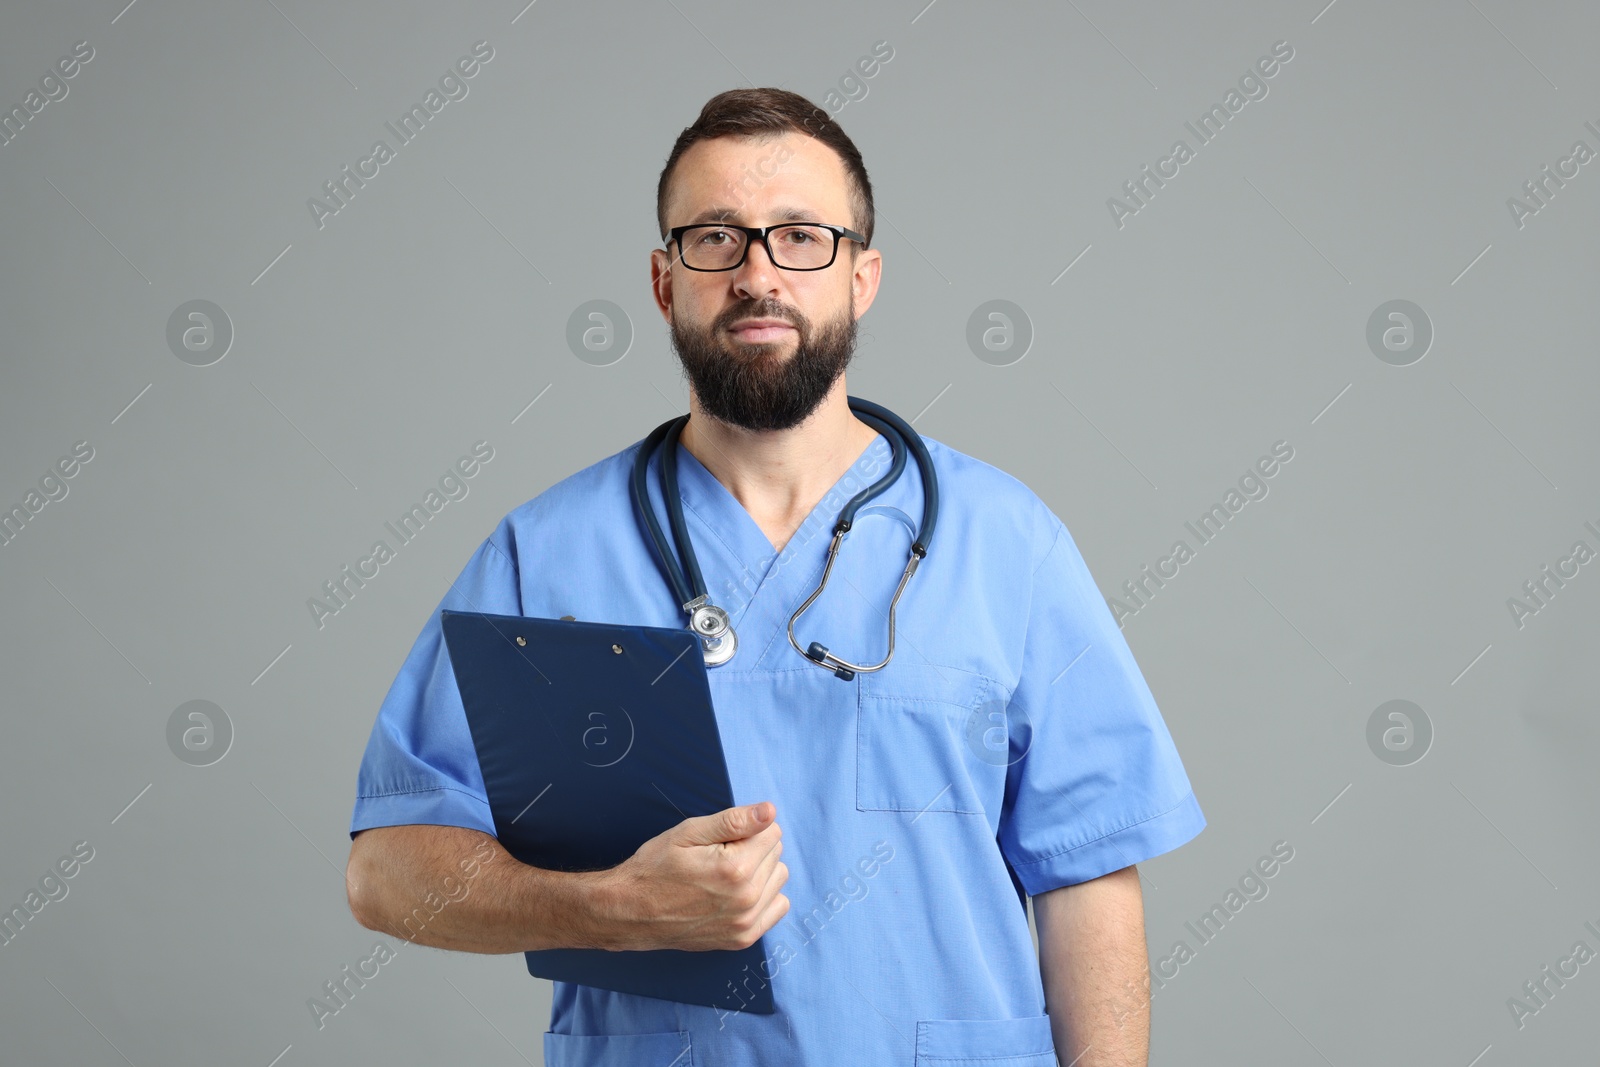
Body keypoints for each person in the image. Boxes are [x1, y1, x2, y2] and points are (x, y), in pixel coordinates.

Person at [344, 86, 1205, 1067]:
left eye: (801, 236)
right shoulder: (546, 555)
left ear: (862, 275)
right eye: (716, 238)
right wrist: (605, 905)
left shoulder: (1007, 542)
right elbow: (386, 871)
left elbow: (1087, 874)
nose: (758, 273)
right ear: (665, 282)